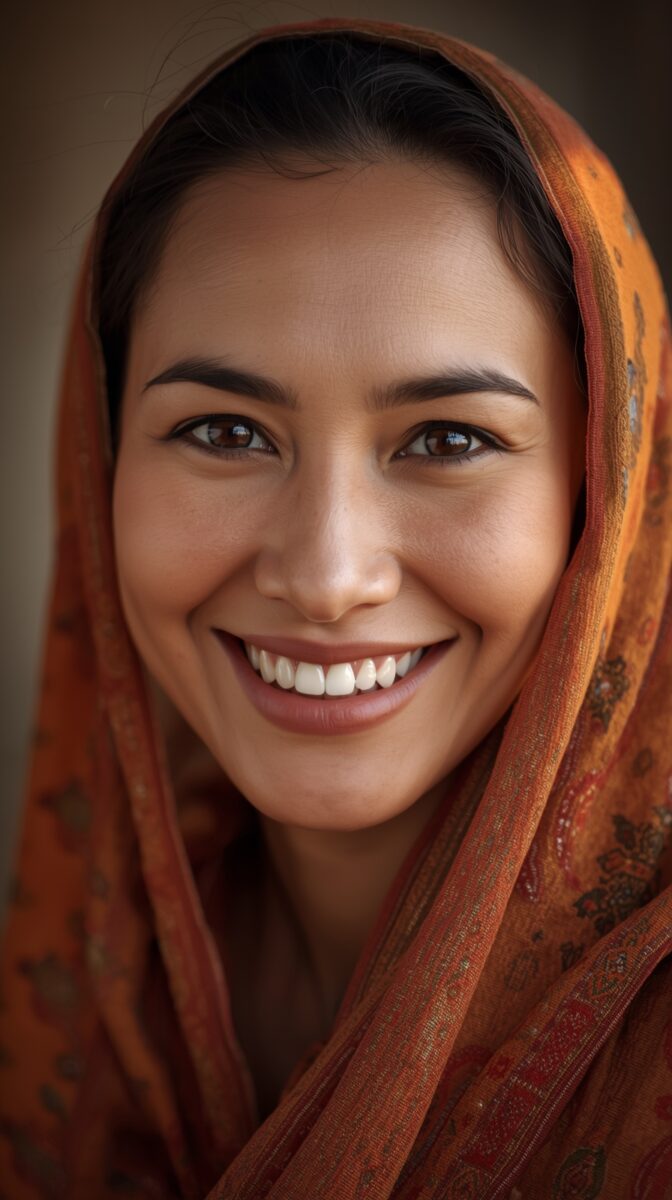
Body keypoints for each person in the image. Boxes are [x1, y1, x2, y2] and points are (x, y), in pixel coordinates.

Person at [1, 16, 670, 1199]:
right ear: (101, 459)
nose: (324, 573)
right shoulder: (84, 978)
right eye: (224, 431)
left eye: (448, 439)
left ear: (603, 496)